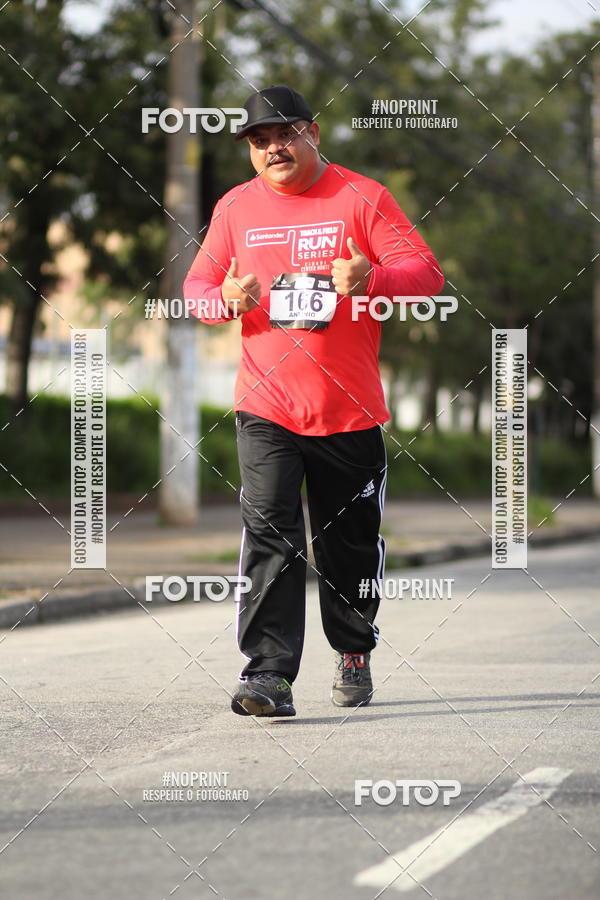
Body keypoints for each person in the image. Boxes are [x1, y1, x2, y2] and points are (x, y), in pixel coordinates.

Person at [183, 85, 444, 717]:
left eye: (285, 133)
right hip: (266, 406)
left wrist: (372, 277)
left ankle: (353, 648)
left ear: (313, 133)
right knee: (270, 533)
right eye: (259, 139)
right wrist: (227, 298)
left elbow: (428, 276)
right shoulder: (236, 208)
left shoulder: (363, 197)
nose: (274, 147)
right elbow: (196, 288)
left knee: (348, 544)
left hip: (349, 410)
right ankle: (269, 673)